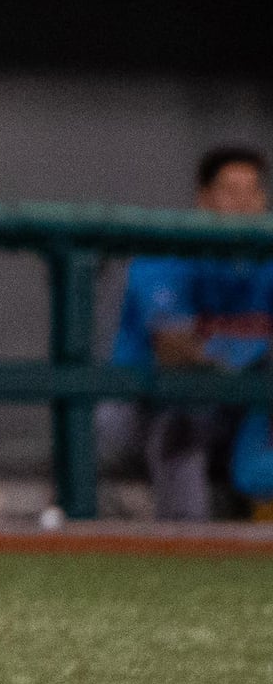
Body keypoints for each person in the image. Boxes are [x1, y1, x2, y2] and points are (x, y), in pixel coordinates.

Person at [109, 147, 271, 521]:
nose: (244, 203)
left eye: (253, 192)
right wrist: (246, 357)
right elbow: (174, 350)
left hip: (237, 405)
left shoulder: (266, 258)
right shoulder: (171, 250)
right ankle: (186, 541)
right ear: (204, 198)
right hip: (144, 403)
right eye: (231, 191)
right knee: (184, 416)